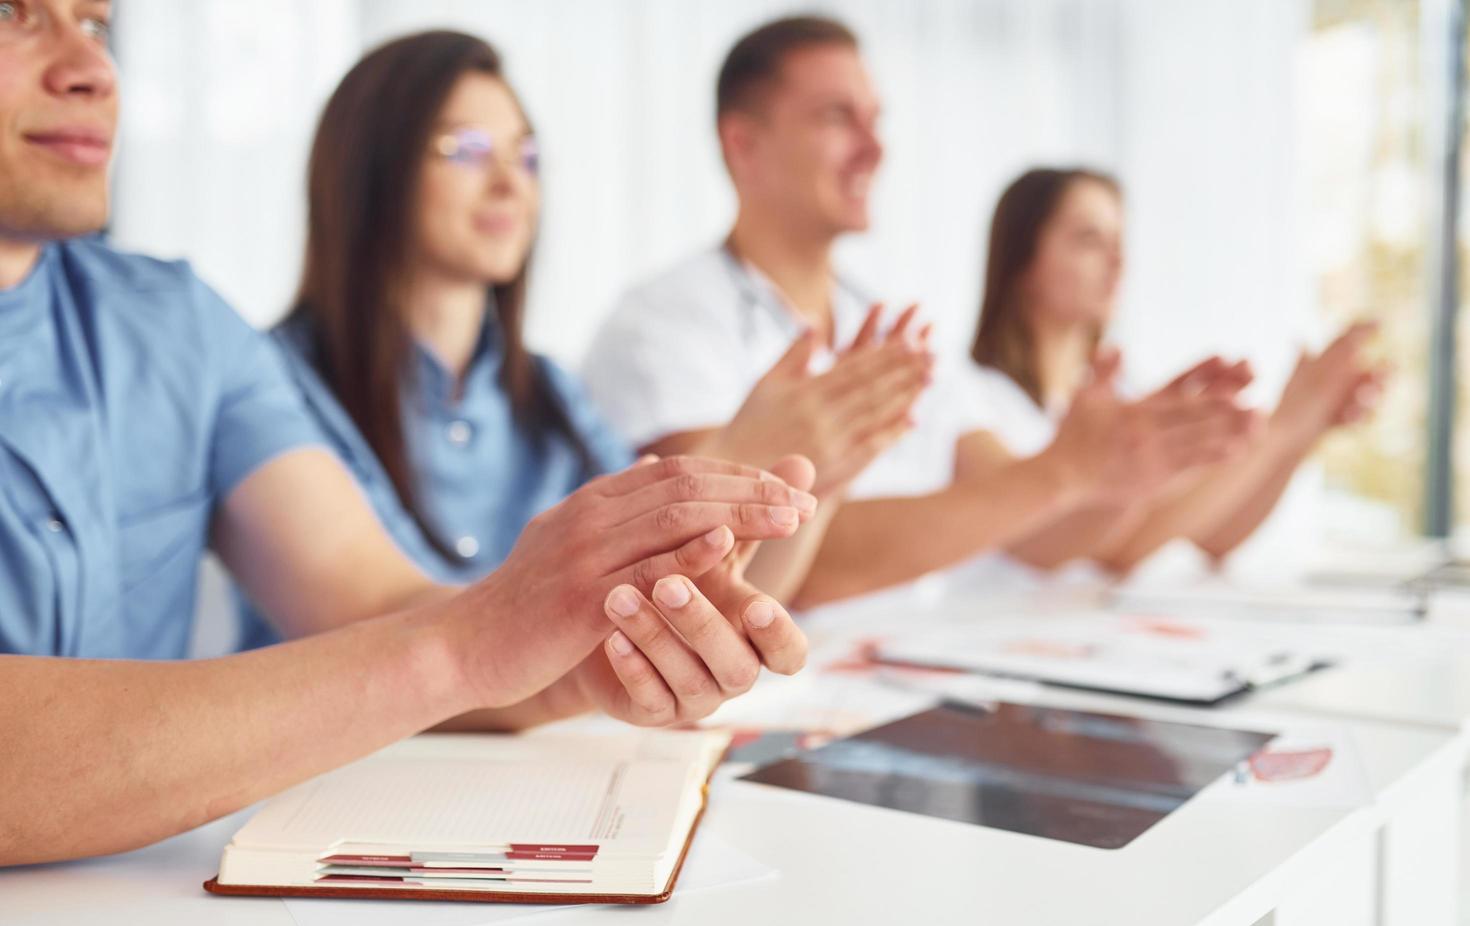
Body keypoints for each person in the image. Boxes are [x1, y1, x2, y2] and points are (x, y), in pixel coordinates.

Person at [0, 0, 816, 867]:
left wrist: (568, 666)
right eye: (14, 15)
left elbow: (369, 598)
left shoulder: (180, 325)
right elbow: (424, 639)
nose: (93, 70)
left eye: (94, 25)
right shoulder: (290, 361)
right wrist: (469, 644)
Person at [235, 29, 933, 652]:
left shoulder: (553, 394)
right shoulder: (271, 385)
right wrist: (728, 459)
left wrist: (810, 482)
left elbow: (680, 591)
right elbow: (391, 632)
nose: (511, 183)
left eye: (527, 154)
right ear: (371, 171)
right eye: (469, 150)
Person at [583, 15, 1257, 607]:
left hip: (920, 665)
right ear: (744, 145)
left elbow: (1029, 531)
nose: (876, 149)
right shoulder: (665, 325)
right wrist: (1064, 473)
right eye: (837, 117)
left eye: (877, 120)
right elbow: (746, 559)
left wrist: (1116, 469)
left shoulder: (892, 328)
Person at [961, 167, 1384, 571]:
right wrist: (1280, 429)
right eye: (1089, 239)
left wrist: (1301, 434)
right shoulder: (973, 399)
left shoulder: (1124, 389)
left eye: (1119, 241)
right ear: (1021, 259)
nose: (1116, 261)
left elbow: (1216, 533)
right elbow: (1122, 548)